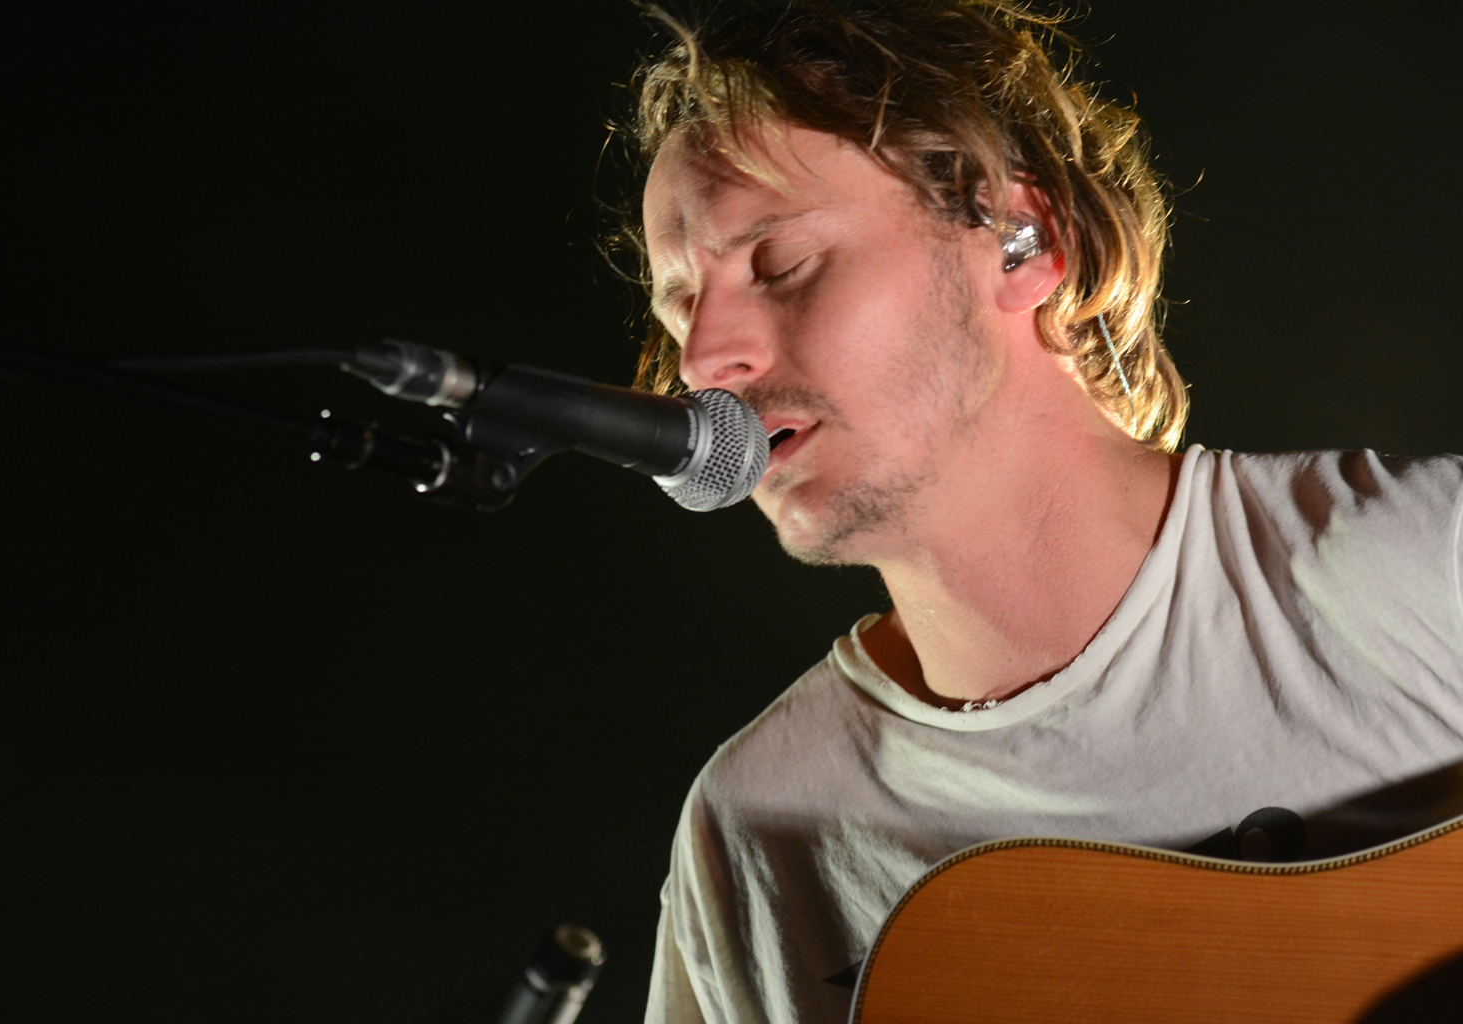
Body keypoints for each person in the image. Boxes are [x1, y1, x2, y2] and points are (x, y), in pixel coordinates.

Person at [613, 3, 1463, 1021]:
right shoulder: (759, 831)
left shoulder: (1427, 563)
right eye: (678, 304)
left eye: (778, 263)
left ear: (1024, 241)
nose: (706, 362)